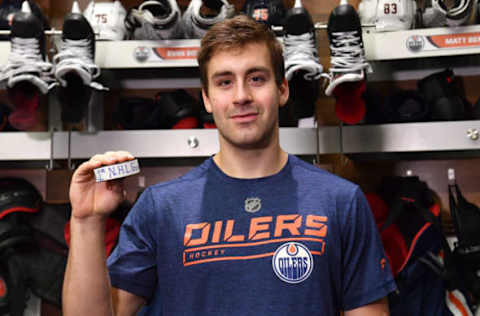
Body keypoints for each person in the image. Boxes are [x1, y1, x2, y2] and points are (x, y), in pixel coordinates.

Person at [62, 14, 396, 316]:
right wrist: (86, 221)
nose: (240, 96)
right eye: (224, 81)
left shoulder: (340, 201)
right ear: (207, 98)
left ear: (282, 89)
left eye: (256, 79)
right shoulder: (162, 207)